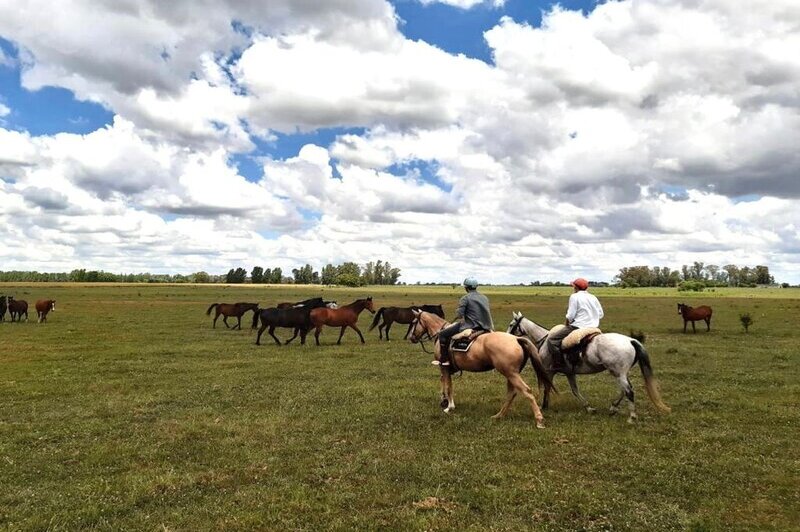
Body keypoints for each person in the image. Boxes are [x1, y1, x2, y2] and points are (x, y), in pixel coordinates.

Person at [547, 277, 604, 370]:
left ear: (576, 287)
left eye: (573, 286)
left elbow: (570, 315)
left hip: (578, 326)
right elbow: (601, 314)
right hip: (593, 327)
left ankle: (558, 363)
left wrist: (567, 323)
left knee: (552, 340)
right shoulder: (593, 297)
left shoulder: (574, 296)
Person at [438, 277, 494, 367]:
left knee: (442, 334)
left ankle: (444, 359)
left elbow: (460, 314)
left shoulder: (465, 298)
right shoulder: (484, 297)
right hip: (486, 326)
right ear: (476, 287)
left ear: (466, 288)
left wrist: (457, 316)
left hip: (471, 326)